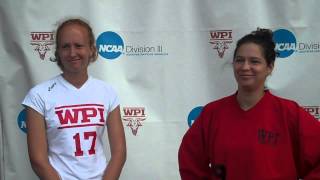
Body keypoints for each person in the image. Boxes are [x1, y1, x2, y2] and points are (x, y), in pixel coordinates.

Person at [178, 28, 320, 179]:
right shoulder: (212, 113)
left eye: (254, 61)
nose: (245, 67)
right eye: (239, 60)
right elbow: (189, 161)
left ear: (270, 67)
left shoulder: (290, 114)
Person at [22, 18, 126, 180]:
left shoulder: (107, 92)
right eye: (65, 46)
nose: (72, 53)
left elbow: (119, 152)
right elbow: (38, 159)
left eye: (79, 45)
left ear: (91, 49)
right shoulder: (38, 95)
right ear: (58, 52)